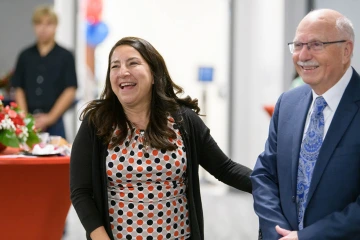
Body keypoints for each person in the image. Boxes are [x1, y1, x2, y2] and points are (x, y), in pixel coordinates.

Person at [70, 36, 252, 240]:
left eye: (133, 63)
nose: (123, 72)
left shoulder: (183, 121)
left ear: (154, 73)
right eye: (115, 66)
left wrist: (269, 184)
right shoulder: (97, 123)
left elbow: (224, 168)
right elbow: (81, 191)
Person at [251, 9, 360, 240]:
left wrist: (305, 237)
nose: (303, 55)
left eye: (316, 44)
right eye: (298, 45)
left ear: (346, 50)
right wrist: (277, 232)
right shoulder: (288, 103)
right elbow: (265, 174)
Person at [11, 5, 77, 139]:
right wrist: (26, 118)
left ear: (56, 26)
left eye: (48, 24)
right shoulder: (25, 56)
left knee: (58, 158)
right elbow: (18, 88)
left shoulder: (66, 56)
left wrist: (50, 118)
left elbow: (70, 89)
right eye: (39, 23)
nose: (43, 28)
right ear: (34, 26)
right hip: (27, 123)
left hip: (55, 122)